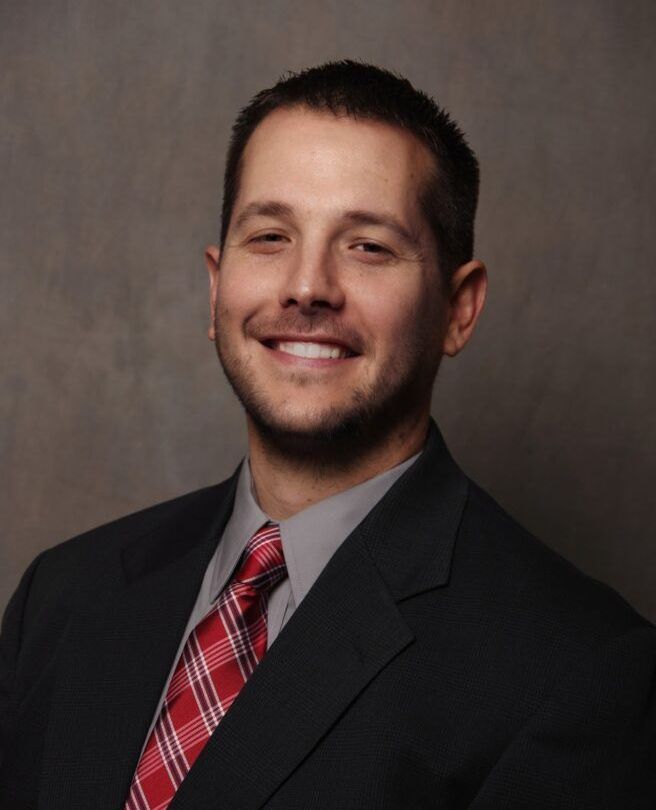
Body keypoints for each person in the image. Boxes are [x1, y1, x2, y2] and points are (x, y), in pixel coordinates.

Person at [0, 60, 654, 810]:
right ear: (216, 288)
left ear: (458, 309)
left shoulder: (578, 673)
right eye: (270, 235)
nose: (307, 285)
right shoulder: (63, 596)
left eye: (368, 245)